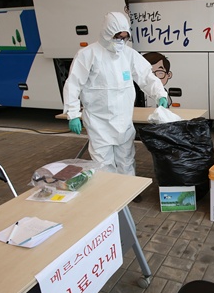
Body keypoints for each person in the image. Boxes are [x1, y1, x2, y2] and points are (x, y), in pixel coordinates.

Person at [63, 12, 168, 201]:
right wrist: (72, 113)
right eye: (117, 37)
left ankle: (129, 190)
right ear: (107, 33)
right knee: (103, 161)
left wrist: (160, 94)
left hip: (123, 119)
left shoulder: (128, 54)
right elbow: (73, 84)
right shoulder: (88, 54)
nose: (121, 41)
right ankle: (109, 193)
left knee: (126, 158)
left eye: (124, 37)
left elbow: (146, 76)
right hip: (98, 120)